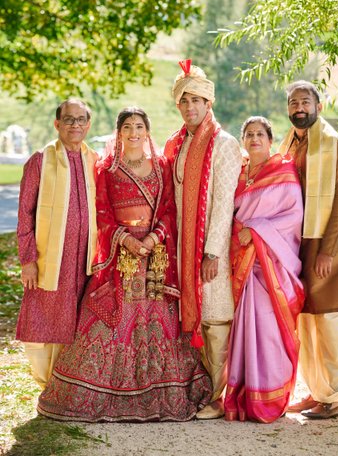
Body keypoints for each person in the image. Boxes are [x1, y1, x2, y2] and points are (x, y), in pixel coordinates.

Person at [38, 107, 212, 422]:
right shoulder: (106, 169)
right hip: (121, 260)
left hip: (154, 260)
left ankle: (161, 391)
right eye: (127, 127)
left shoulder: (161, 166)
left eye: (139, 127)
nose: (133, 133)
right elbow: (102, 214)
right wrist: (128, 241)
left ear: (147, 131)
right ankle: (99, 393)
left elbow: (170, 210)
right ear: (119, 133)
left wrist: (153, 239)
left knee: (159, 322)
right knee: (110, 321)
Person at [164, 60, 243, 420]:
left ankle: (218, 395)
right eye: (184, 101)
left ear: (209, 104)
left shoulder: (223, 143)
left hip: (213, 248)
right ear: (178, 106)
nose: (190, 107)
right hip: (183, 247)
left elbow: (224, 201)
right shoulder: (178, 145)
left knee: (216, 319)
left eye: (197, 100)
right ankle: (200, 387)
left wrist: (212, 251)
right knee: (193, 318)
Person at [280, 81, 338, 419]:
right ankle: (317, 392)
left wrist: (327, 250)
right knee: (307, 321)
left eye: (306, 101)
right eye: (294, 102)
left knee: (329, 320)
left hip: (330, 245)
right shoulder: (290, 145)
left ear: (319, 105)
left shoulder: (336, 145)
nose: (300, 107)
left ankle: (334, 395)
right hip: (300, 246)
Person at [225, 116, 304, 423]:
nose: (254, 138)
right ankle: (243, 394)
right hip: (240, 262)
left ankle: (269, 396)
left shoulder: (282, 171)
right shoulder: (239, 173)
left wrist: (255, 231)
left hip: (269, 265)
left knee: (267, 325)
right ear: (243, 141)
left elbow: (292, 217)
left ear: (270, 140)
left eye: (260, 134)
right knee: (242, 326)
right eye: (249, 134)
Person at [16, 98, 97, 388]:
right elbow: (25, 213)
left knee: (74, 319)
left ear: (88, 125)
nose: (75, 125)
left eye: (80, 119)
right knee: (44, 317)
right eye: (68, 119)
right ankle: (45, 381)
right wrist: (27, 261)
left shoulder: (93, 160)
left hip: (84, 259)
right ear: (57, 124)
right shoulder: (41, 160)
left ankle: (67, 382)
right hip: (49, 257)